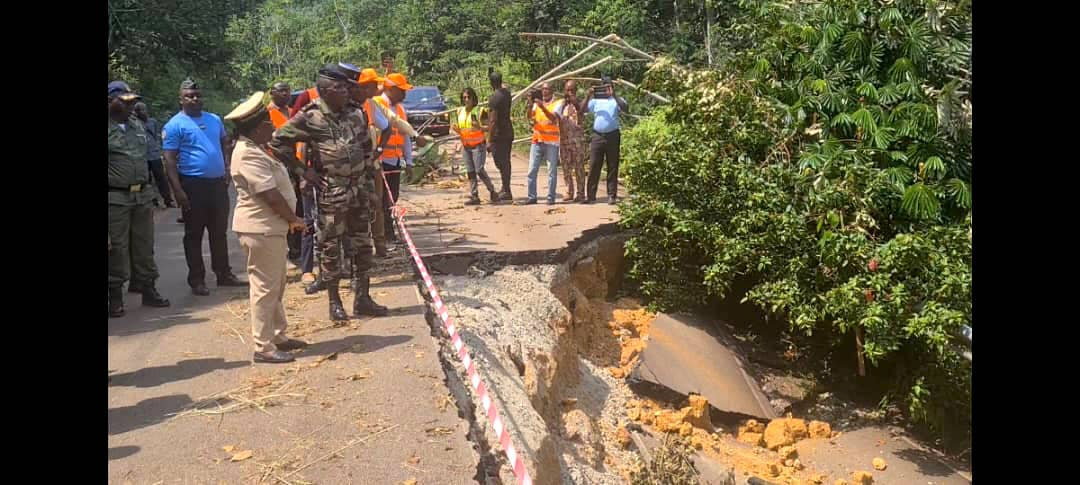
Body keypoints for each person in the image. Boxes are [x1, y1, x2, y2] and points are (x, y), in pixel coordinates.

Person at [269, 64, 389, 321]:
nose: (346, 91)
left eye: (347, 87)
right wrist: (304, 172)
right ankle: (335, 303)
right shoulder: (310, 116)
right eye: (340, 88)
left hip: (358, 189)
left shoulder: (356, 113)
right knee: (330, 247)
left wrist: (370, 188)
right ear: (324, 91)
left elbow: (366, 150)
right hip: (332, 190)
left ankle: (363, 298)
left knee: (362, 244)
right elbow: (279, 142)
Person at [226, 91, 310, 364]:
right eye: (268, 125)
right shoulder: (248, 155)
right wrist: (294, 219)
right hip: (260, 228)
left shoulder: (259, 149)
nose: (273, 128)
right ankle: (264, 346)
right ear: (257, 128)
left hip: (269, 228)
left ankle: (278, 335)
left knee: (276, 284)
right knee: (265, 287)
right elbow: (270, 195)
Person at [163, 78, 248, 296]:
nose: (194, 99)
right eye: (189, 96)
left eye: (197, 95)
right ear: (180, 99)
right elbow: (170, 160)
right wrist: (178, 191)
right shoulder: (174, 125)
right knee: (194, 234)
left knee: (219, 231)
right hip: (193, 185)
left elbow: (224, 143)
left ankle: (223, 273)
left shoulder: (214, 119)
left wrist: (228, 168)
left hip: (217, 184)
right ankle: (197, 280)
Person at [108, 81, 170, 317]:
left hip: (142, 195)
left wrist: (161, 192)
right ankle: (114, 295)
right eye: (125, 102)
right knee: (116, 248)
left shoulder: (138, 125)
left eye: (133, 102)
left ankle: (148, 288)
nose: (131, 106)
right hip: (115, 197)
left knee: (145, 245)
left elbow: (151, 159)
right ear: (110, 101)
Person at [372, 73, 417, 240]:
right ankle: (384, 235)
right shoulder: (377, 104)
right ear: (391, 89)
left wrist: (409, 161)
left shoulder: (399, 108)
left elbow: (404, 136)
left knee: (392, 199)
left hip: (395, 161)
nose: (404, 95)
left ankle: (388, 232)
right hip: (380, 162)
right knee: (381, 200)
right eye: (402, 91)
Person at [267, 81, 303, 262]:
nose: (285, 94)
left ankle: (297, 248)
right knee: (285, 204)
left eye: (288, 90)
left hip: (296, 164)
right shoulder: (266, 114)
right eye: (281, 91)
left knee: (298, 205)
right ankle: (287, 246)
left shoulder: (292, 113)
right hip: (277, 164)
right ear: (272, 93)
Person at [581, 78, 628, 204]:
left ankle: (612, 195)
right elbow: (583, 110)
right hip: (598, 136)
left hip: (613, 135)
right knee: (594, 165)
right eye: (604, 86)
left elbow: (625, 108)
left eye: (609, 86)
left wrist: (614, 95)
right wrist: (588, 96)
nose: (606, 89)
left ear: (612, 87)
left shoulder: (616, 100)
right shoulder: (596, 100)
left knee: (612, 165)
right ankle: (590, 196)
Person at [452, 88, 497, 205]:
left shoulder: (480, 111)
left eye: (468, 97)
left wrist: (480, 128)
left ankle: (492, 191)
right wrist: (457, 131)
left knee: (479, 170)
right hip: (466, 146)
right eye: (464, 98)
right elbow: (463, 130)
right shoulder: (459, 112)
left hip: (478, 146)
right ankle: (474, 195)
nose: (466, 100)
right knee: (470, 171)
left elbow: (490, 127)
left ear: (473, 98)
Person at [526, 82, 564, 205]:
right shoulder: (536, 104)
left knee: (551, 171)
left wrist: (542, 107)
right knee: (532, 170)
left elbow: (553, 118)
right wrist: (530, 104)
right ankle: (532, 197)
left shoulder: (558, 103)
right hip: (537, 140)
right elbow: (529, 117)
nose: (544, 91)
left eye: (547, 89)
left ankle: (550, 198)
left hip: (551, 143)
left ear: (552, 90)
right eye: (543, 89)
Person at [133, 102, 174, 208]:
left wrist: (159, 149)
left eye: (143, 109)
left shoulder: (152, 122)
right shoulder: (134, 123)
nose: (142, 112)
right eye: (139, 110)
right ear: (136, 112)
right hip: (142, 156)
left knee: (161, 178)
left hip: (154, 154)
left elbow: (156, 135)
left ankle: (168, 200)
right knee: (146, 180)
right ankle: (152, 200)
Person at [486, 71, 514, 201]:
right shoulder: (506, 94)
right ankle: (505, 188)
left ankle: (506, 189)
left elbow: (493, 120)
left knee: (500, 161)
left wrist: (489, 139)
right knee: (505, 161)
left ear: (491, 83)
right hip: (508, 132)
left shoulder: (494, 98)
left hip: (499, 134)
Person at [558, 80, 587, 203]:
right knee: (566, 168)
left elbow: (581, 116)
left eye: (572, 90)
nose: (569, 93)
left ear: (575, 91)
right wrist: (564, 104)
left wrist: (575, 103)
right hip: (564, 141)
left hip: (577, 142)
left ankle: (580, 193)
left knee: (579, 168)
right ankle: (569, 191)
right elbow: (556, 117)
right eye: (567, 90)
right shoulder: (562, 105)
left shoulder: (580, 104)